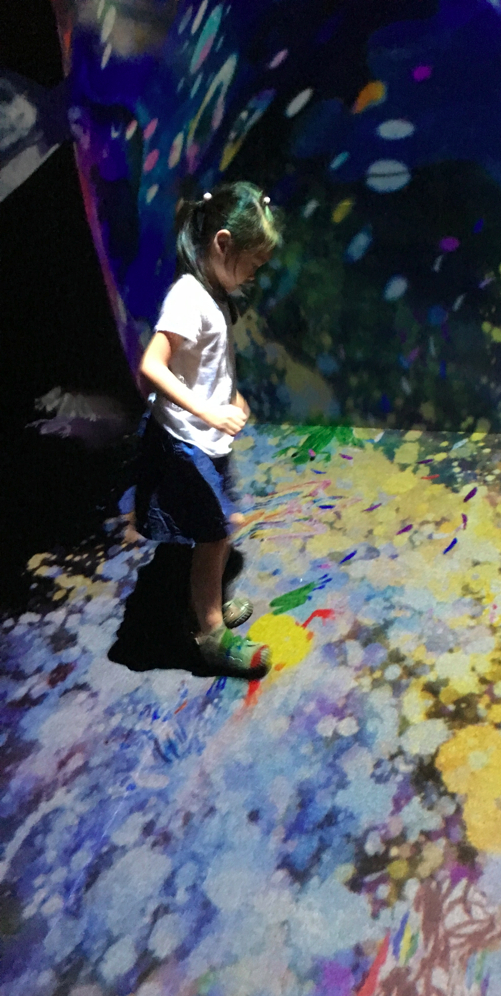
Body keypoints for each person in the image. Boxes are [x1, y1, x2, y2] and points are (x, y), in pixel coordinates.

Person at [134, 181, 280, 678]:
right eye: (251, 263)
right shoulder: (187, 298)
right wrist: (210, 412)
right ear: (222, 243)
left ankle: (206, 603)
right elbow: (152, 366)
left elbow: (206, 363)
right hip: (186, 441)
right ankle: (210, 636)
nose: (254, 273)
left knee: (214, 531)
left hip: (205, 436)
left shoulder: (214, 291)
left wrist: (228, 398)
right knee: (214, 535)